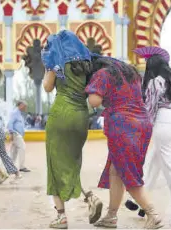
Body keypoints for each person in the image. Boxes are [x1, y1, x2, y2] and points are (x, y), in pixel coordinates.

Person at [85, 56, 163, 229]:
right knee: (116, 170)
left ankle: (153, 214)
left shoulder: (102, 74)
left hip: (122, 125)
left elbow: (94, 100)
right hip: (142, 124)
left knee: (128, 172)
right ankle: (111, 216)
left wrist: (87, 91)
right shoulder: (130, 74)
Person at [126, 50, 171, 225]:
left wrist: (140, 130)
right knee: (153, 163)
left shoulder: (155, 82)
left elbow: (150, 109)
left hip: (164, 126)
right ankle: (141, 203)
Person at [41, 30, 102, 229]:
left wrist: (47, 70)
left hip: (62, 114)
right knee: (72, 162)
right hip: (81, 116)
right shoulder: (86, 65)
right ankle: (89, 197)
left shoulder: (57, 60)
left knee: (55, 163)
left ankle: (61, 216)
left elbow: (48, 87)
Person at [7, 101, 30, 172]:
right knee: (22, 147)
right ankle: (21, 167)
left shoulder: (19, 114)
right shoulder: (15, 113)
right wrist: (11, 133)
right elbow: (10, 123)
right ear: (20, 105)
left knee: (14, 151)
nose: (25, 107)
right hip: (16, 134)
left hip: (18, 134)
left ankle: (10, 167)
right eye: (24, 106)